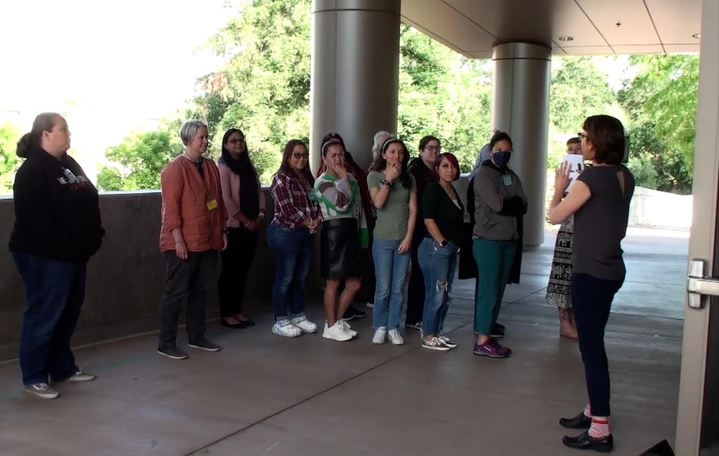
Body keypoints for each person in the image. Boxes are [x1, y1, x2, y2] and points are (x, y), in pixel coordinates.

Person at [548, 115, 635, 453]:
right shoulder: (623, 175)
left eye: (585, 135)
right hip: (612, 268)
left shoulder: (592, 176)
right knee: (593, 344)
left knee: (592, 348)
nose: (582, 140)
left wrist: (558, 188)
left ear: (596, 141)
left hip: (591, 273)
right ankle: (592, 408)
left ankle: (600, 428)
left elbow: (555, 215)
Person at [9, 113, 105, 399]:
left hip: (73, 255)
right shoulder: (32, 171)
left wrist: (93, 235)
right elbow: (36, 221)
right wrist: (69, 245)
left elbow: (90, 198)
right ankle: (34, 376)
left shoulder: (69, 164)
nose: (69, 133)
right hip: (44, 256)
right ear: (45, 134)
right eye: (63, 129)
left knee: (68, 312)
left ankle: (62, 367)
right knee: (45, 313)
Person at [158, 120, 227, 360]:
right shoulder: (175, 169)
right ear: (188, 139)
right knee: (175, 292)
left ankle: (197, 336)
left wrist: (223, 231)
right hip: (183, 242)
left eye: (207, 137)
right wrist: (178, 240)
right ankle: (166, 342)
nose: (206, 141)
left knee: (200, 289)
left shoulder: (210, 166)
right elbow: (171, 208)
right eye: (201, 137)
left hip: (208, 239)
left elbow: (218, 201)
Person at [472, 131, 527, 358]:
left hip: (508, 239)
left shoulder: (511, 176)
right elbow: (497, 204)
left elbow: (523, 204)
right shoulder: (483, 175)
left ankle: (488, 330)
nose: (503, 154)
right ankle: (482, 339)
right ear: (490, 150)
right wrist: (509, 204)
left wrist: (509, 204)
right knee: (489, 290)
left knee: (500, 289)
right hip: (488, 240)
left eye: (507, 151)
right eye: (499, 150)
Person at [315, 138, 368, 341]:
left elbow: (359, 209)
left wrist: (363, 234)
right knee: (333, 281)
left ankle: (335, 322)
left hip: (351, 230)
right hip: (334, 231)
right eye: (333, 155)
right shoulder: (322, 181)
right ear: (324, 159)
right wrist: (343, 177)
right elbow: (341, 203)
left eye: (341, 154)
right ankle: (330, 324)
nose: (338, 159)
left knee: (354, 283)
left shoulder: (352, 179)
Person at [268, 139, 321, 337]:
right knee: (285, 278)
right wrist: (309, 222)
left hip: (306, 233)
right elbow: (287, 207)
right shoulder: (281, 177)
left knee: (300, 277)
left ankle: (298, 315)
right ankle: (280, 319)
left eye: (304, 155)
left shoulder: (308, 178)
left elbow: (318, 202)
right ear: (288, 157)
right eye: (297, 155)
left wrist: (317, 220)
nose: (301, 159)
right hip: (285, 233)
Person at [367, 138, 417, 345]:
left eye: (401, 152)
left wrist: (408, 237)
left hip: (402, 239)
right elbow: (378, 203)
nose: (397, 156)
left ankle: (393, 326)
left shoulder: (409, 178)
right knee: (383, 286)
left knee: (398, 287)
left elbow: (413, 209)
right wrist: (388, 179)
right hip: (382, 239)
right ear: (384, 154)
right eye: (393, 152)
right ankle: (379, 325)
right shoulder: (374, 176)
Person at [217, 128, 266, 329]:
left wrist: (261, 215)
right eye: (233, 141)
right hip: (234, 227)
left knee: (243, 270)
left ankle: (237, 310)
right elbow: (226, 199)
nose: (238, 144)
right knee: (230, 271)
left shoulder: (247, 167)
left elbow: (259, 192)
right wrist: (246, 221)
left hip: (252, 227)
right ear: (226, 145)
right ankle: (226, 314)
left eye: (241, 140)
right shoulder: (222, 167)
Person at [417, 153, 463, 351]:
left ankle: (437, 332)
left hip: (450, 249)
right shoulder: (433, 190)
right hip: (435, 249)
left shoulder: (452, 190)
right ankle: (428, 334)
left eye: (452, 166)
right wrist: (443, 243)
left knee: (445, 294)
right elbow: (429, 220)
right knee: (435, 293)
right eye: (445, 166)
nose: (449, 170)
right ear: (437, 169)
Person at [546, 137, 583, 339]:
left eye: (578, 149)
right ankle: (564, 322)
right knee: (562, 277)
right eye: (571, 149)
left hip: (585, 233)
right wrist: (561, 186)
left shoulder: (590, 175)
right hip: (567, 230)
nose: (575, 152)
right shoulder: (563, 174)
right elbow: (555, 209)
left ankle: (575, 318)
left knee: (578, 278)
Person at [406, 135, 440, 332]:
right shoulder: (416, 173)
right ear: (420, 151)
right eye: (429, 148)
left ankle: (422, 314)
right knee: (419, 273)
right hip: (419, 228)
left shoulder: (435, 171)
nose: (434, 151)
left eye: (436, 148)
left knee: (428, 274)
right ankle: (413, 316)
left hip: (430, 228)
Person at [365, 130, 392, 310]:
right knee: (377, 262)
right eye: (383, 145)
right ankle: (374, 296)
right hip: (377, 220)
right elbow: (377, 202)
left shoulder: (400, 171)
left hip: (396, 222)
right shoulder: (373, 171)